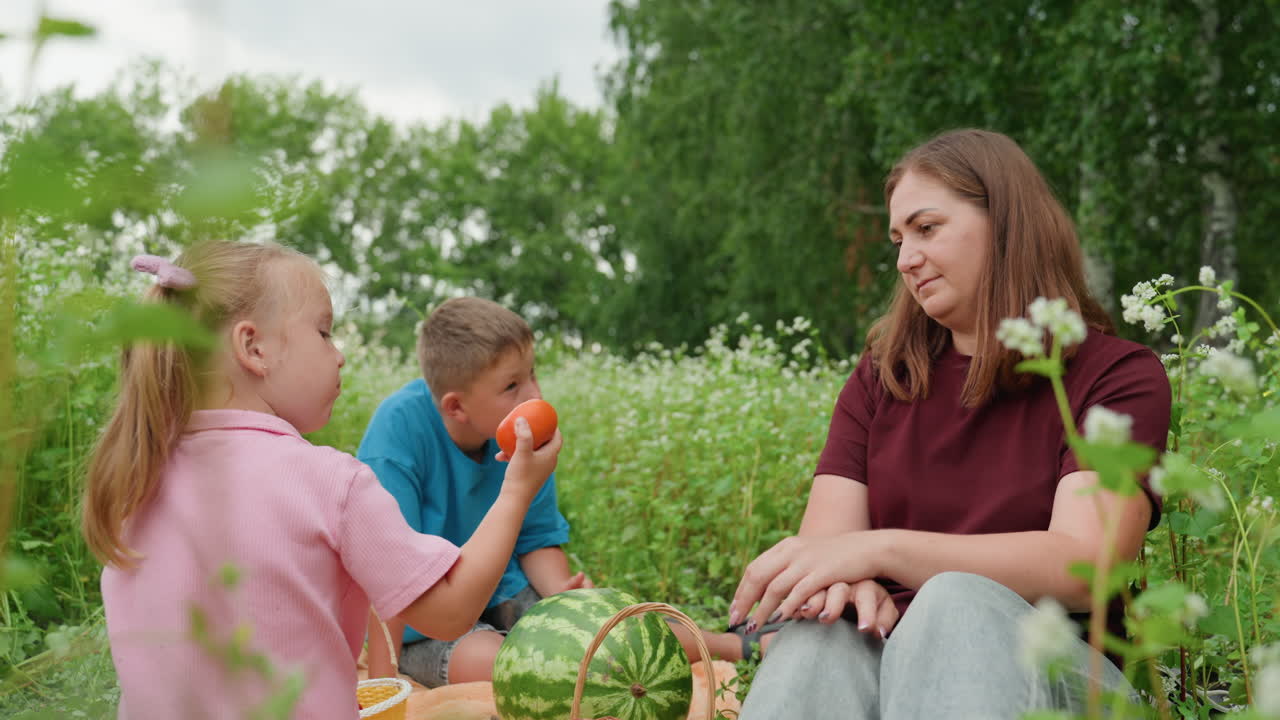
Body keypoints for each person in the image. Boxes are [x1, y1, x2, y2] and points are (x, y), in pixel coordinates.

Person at [727, 129, 1171, 718]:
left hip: (1066, 684)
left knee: (955, 602)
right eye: (898, 238)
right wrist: (845, 586)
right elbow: (824, 557)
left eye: (926, 228)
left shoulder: (1114, 376)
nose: (905, 259)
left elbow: (1083, 562)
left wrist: (880, 552)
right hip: (889, 672)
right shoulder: (881, 380)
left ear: (1007, 224)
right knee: (823, 632)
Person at [83, 241, 562, 720]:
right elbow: (451, 609)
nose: (340, 356)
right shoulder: (330, 482)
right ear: (255, 348)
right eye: (324, 332)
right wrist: (517, 488)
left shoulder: (135, 478)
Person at [358, 297, 749, 688]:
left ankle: (733, 645)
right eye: (512, 385)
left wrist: (563, 597)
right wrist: (380, 688)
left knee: (616, 635)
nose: (535, 395)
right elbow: (387, 574)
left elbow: (536, 537)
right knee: (507, 666)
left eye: (532, 374)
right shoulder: (399, 433)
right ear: (456, 406)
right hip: (423, 624)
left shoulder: (526, 435)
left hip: (501, 588)